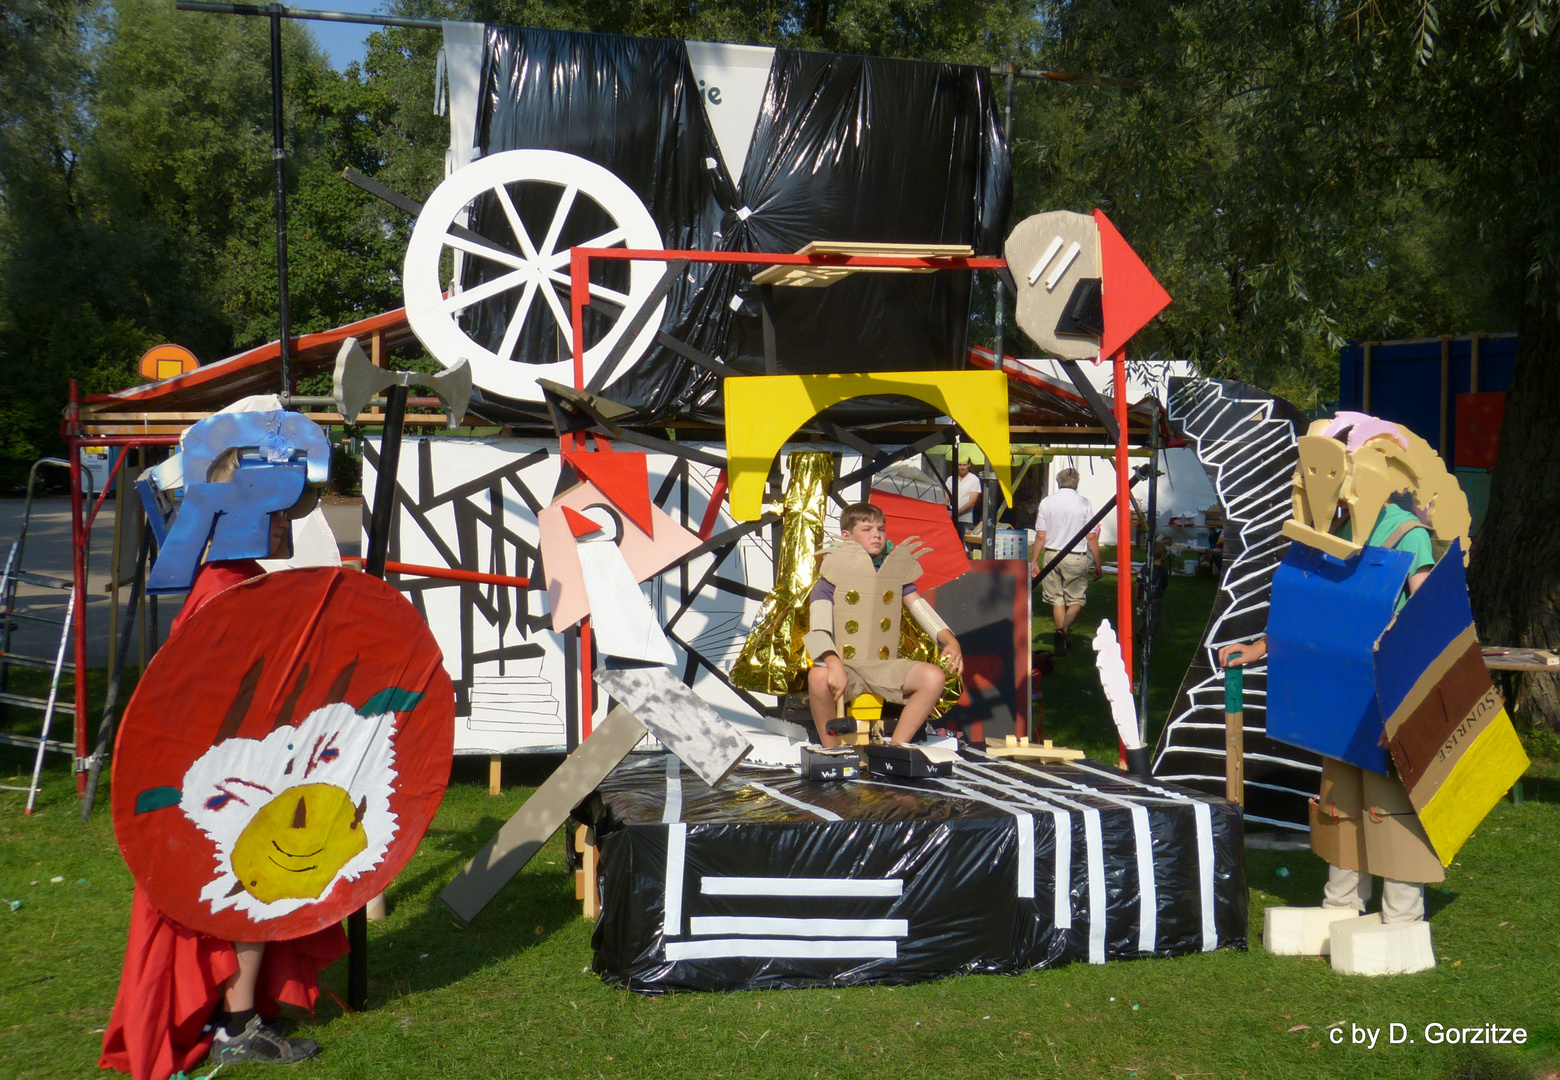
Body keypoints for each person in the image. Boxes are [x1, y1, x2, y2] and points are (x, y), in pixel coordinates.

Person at [102, 448, 335, 1080]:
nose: (290, 524)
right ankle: (237, 1026)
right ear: (245, 511)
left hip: (237, 764)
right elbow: (213, 697)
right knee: (245, 889)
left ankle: (240, 1009)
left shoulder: (240, 576)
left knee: (257, 887)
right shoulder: (225, 588)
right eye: (280, 511)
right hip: (219, 775)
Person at [1220, 492, 1437, 927]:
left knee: (1388, 801)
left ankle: (1403, 915)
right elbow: (1310, 608)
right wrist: (1260, 647)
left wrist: (1408, 703)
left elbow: (1428, 616)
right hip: (1338, 693)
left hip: (1384, 691)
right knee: (1339, 800)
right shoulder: (1331, 529)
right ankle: (1341, 903)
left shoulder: (1406, 533)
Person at [803, 503, 964, 745]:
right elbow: (818, 629)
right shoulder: (830, 578)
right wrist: (833, 663)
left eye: (880, 528)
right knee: (817, 677)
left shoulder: (895, 573)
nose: (876, 534)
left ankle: (896, 747)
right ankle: (832, 750)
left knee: (933, 677)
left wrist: (950, 639)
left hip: (884, 667)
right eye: (866, 529)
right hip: (847, 667)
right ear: (846, 536)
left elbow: (919, 607)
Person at [1029, 467, 1102, 657]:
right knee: (1077, 598)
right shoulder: (1084, 503)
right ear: (1076, 483)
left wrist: (1034, 560)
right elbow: (1091, 536)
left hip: (1052, 554)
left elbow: (1041, 535)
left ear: (1058, 481)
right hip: (1075, 554)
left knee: (1057, 598)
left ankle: (1062, 637)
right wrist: (1098, 563)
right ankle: (1063, 631)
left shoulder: (1047, 502)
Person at [948, 456, 983, 536]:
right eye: (960, 465)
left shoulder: (974, 479)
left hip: (966, 520)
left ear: (969, 465)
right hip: (950, 519)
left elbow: (972, 502)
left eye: (964, 465)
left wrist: (955, 513)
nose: (962, 467)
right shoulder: (950, 479)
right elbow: (946, 498)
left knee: (964, 544)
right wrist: (947, 510)